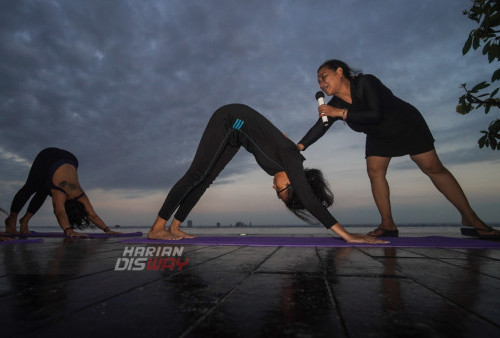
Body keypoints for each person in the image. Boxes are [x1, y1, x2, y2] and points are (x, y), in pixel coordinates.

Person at [297, 59, 499, 238]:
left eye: (324, 77)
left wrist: (339, 112)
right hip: (379, 135)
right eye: (319, 82)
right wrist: (299, 146)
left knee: (433, 169)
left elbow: (375, 114)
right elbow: (321, 126)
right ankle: (388, 224)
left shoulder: (366, 82)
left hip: (405, 124)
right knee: (375, 171)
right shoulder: (336, 103)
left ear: (340, 72)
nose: (322, 84)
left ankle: (471, 218)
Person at [147, 104, 387, 244]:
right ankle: (158, 227)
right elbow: (309, 200)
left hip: (236, 133)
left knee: (205, 180)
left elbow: (274, 137)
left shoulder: (285, 161)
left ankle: (175, 226)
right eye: (280, 192)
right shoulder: (292, 161)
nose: (274, 189)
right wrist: (347, 236)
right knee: (196, 174)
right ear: (293, 183)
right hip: (230, 119)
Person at [4, 147, 119, 238]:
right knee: (31, 186)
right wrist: (68, 230)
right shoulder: (60, 192)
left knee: (44, 190)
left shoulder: (81, 195)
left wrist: (107, 230)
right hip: (47, 156)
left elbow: (91, 214)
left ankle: (24, 221)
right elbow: (59, 212)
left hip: (70, 159)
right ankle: (12, 218)